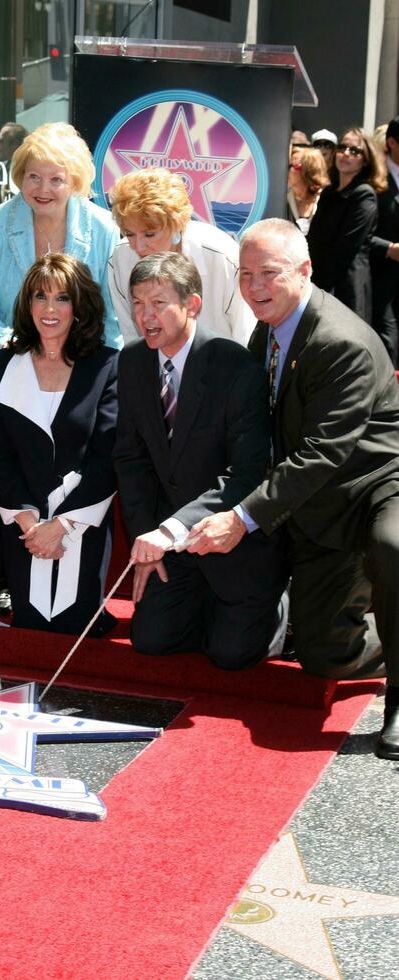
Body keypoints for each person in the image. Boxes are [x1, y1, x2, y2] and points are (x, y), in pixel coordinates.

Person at [184, 219, 399, 759]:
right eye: (246, 274)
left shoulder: (339, 341)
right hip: (316, 503)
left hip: (378, 483)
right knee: (324, 654)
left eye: (270, 274)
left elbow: (322, 453)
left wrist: (241, 518)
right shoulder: (268, 330)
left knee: (394, 547)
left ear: (304, 271)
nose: (256, 286)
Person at [112, 251, 288, 669]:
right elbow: (131, 460)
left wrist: (172, 528)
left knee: (231, 655)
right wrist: (148, 541)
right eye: (137, 303)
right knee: (151, 641)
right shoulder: (133, 361)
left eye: (158, 303)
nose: (145, 315)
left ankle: (279, 605)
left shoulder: (235, 366)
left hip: (230, 537)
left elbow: (245, 471)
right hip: (173, 544)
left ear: (192, 304)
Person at [0, 253, 119, 636]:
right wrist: (30, 524)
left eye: (62, 298)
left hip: (82, 520)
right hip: (23, 523)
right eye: (39, 296)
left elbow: (106, 457)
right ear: (27, 305)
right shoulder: (2, 365)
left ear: (79, 307)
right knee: (30, 629)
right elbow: (0, 455)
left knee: (77, 629)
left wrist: (60, 525)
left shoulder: (108, 366)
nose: (49, 308)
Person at [0, 122, 122, 409]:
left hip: (81, 375)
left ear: (74, 181)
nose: (42, 189)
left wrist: (105, 384)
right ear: (20, 176)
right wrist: (17, 346)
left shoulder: (104, 228)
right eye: (34, 177)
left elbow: (111, 320)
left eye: (56, 180)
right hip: (11, 375)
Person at [108, 168, 255, 345]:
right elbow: (132, 338)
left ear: (177, 224)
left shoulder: (222, 256)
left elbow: (244, 335)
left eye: (149, 234)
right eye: (129, 234)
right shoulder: (121, 257)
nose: (138, 246)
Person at [307, 127, 386, 324]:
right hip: (319, 284)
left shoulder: (364, 194)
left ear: (366, 159)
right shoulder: (328, 192)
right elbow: (314, 238)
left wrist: (319, 283)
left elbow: (346, 247)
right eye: (342, 148)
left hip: (347, 288)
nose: (345, 154)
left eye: (355, 150)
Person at [370, 115, 399, 365]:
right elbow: (356, 236)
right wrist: (388, 249)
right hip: (379, 281)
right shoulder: (373, 179)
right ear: (392, 142)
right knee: (388, 342)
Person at [286, 147, 330, 235]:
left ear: (308, 170)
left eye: (291, 166)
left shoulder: (328, 201)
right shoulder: (282, 200)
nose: (286, 170)